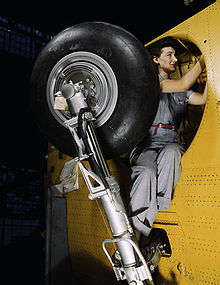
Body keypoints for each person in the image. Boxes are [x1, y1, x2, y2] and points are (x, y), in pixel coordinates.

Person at [129, 37, 207, 239]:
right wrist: (203, 60)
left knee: (172, 153)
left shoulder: (183, 91)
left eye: (174, 55)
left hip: (171, 141)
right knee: (145, 171)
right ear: (155, 59)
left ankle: (160, 214)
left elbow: (203, 98)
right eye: (169, 55)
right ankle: (137, 232)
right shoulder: (151, 83)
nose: (174, 59)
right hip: (147, 142)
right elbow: (182, 83)